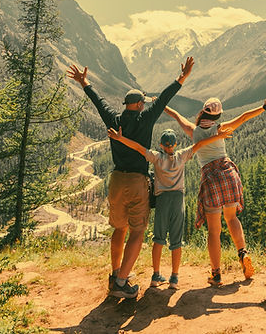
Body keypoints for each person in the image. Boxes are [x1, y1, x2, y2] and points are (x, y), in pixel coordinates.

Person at [67, 57, 194, 299]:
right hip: (137, 181)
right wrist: (182, 77)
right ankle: (122, 282)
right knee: (137, 231)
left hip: (116, 180)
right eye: (143, 104)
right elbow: (165, 98)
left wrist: (85, 84)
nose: (145, 107)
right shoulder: (145, 119)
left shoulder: (115, 120)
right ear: (137, 105)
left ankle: (116, 273)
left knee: (119, 228)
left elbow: (99, 103)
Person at [164, 93, 266, 286]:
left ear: (203, 112)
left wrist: (162, 104)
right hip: (228, 173)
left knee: (214, 231)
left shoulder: (193, 131)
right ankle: (243, 253)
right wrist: (263, 107)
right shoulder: (220, 128)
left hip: (210, 177)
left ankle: (216, 274)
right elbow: (244, 117)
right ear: (218, 115)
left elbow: (176, 116)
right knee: (232, 218)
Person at [106, 126, 233, 289]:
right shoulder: (182, 155)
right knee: (176, 241)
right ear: (176, 144)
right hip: (178, 200)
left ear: (161, 145)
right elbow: (200, 144)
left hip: (162, 200)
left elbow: (137, 147)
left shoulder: (157, 157)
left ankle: (156, 275)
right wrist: (219, 136)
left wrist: (120, 139)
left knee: (158, 239)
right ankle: (174, 278)